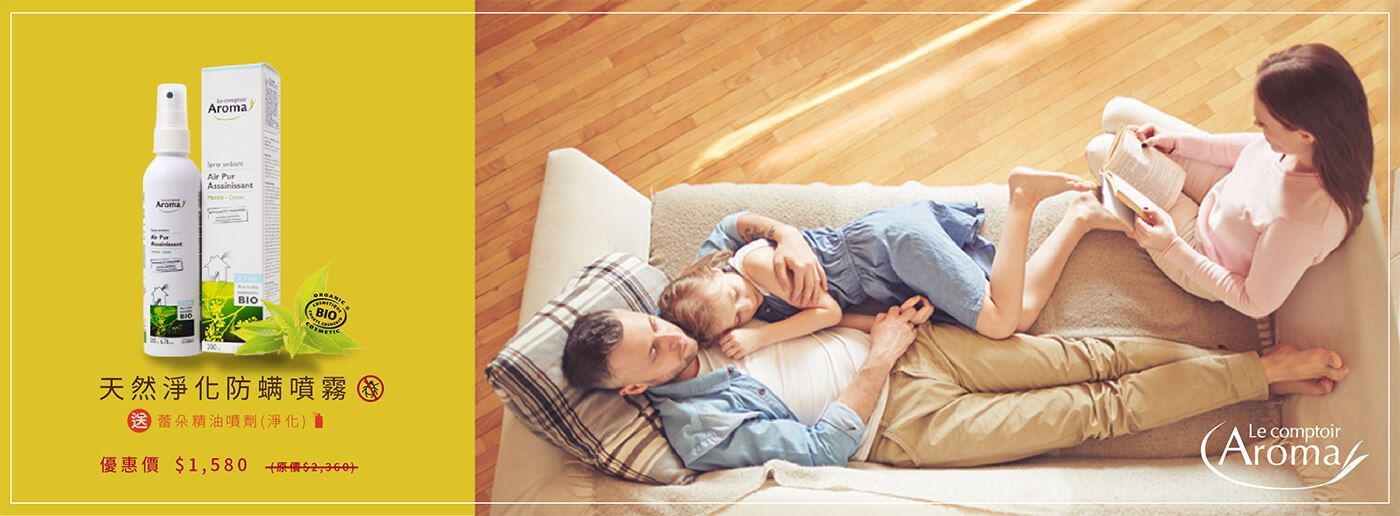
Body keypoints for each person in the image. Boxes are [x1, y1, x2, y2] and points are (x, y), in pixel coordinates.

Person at [560, 305, 1350, 471]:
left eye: (651, 326)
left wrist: (877, 327)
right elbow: (817, 448)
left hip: (912, 346)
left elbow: (736, 230)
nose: (670, 340)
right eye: (654, 354)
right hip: (906, 426)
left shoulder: (689, 311)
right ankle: (1261, 374)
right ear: (634, 392)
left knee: (1089, 353)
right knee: (1093, 409)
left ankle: (1235, 361)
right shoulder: (696, 433)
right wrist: (880, 358)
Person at [658, 168, 1126, 359]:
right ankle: (1079, 218)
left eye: (734, 295)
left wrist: (761, 335)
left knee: (1000, 323)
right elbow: (832, 322)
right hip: (893, 270)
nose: (747, 303)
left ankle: (1022, 197)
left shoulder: (755, 266)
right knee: (1018, 311)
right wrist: (887, 322)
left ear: (719, 271)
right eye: (738, 314)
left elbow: (827, 314)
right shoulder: (751, 302)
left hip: (894, 247)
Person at [1088, 43, 1373, 320]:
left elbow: (1253, 302)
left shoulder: (1298, 226)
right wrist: (1174, 143)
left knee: (1100, 152)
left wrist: (1169, 245)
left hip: (1199, 248)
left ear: (1305, 134)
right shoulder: (1323, 145)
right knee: (1117, 111)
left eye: (1264, 124)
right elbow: (1246, 149)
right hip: (1225, 187)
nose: (1256, 127)